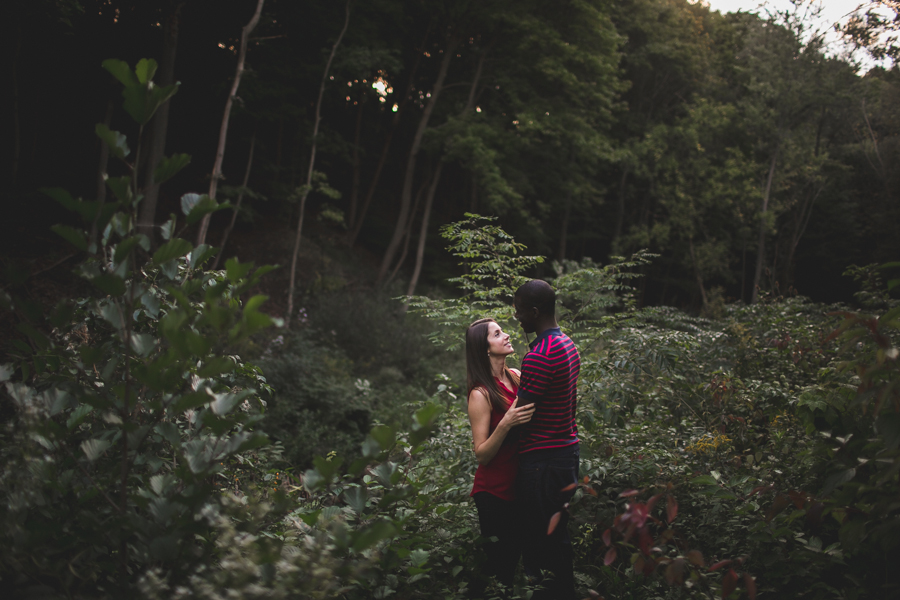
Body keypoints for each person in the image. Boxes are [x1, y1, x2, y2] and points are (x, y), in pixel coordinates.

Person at [513, 280, 581, 600]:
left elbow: (521, 416)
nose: (518, 318)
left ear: (535, 311)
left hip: (542, 461)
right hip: (566, 455)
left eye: (520, 312)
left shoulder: (539, 355)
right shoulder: (567, 344)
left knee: (538, 545)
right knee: (557, 539)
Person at [465, 318, 536, 590]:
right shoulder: (480, 394)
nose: (506, 335)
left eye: (503, 330)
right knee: (497, 567)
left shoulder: (517, 375)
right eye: (497, 334)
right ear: (485, 349)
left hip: (519, 486)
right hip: (493, 492)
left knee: (512, 562)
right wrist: (506, 422)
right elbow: (481, 454)